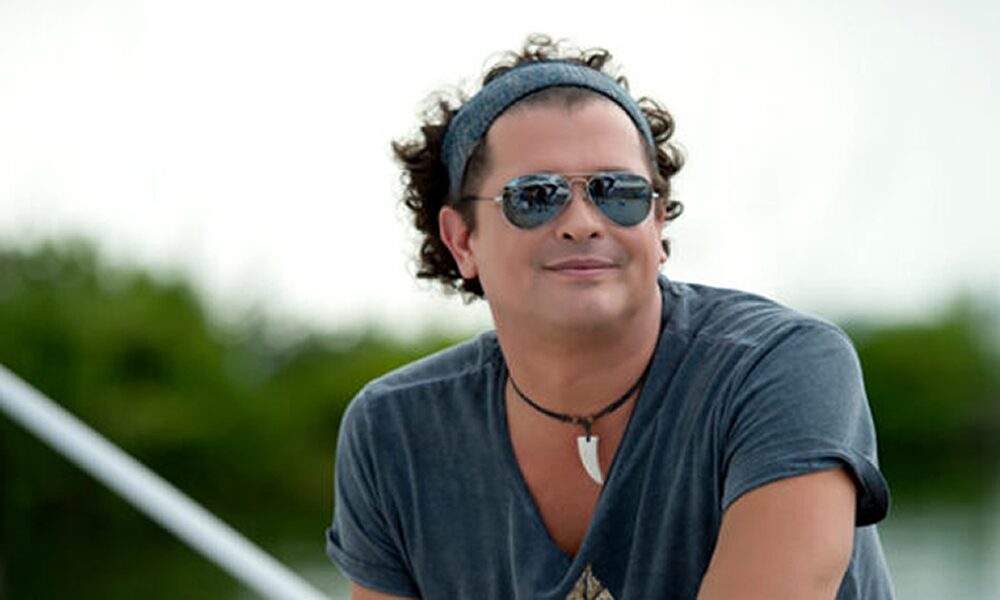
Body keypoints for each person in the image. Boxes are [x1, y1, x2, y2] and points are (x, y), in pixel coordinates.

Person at [326, 34, 893, 600]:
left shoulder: (782, 369)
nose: (583, 223)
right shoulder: (392, 432)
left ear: (657, 224)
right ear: (461, 240)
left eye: (618, 193)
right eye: (535, 196)